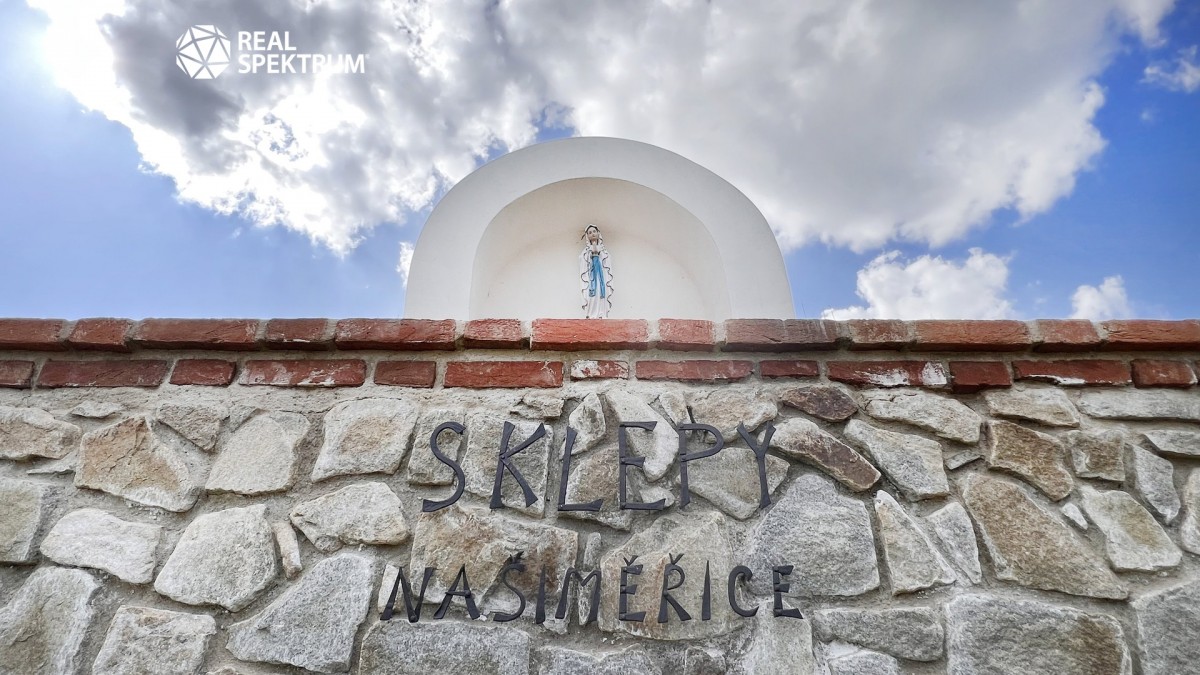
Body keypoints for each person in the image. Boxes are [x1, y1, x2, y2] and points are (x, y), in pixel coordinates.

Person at [578, 224, 613, 318]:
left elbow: (608, 261)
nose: (592, 234)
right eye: (590, 233)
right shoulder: (586, 251)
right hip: (591, 277)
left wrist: (599, 253)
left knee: (601, 292)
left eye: (594, 231)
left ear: (598, 233)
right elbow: (582, 261)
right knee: (592, 294)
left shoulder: (603, 250)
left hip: (601, 276)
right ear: (587, 236)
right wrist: (590, 254)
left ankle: (601, 313)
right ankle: (591, 314)